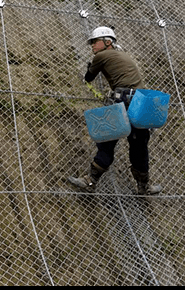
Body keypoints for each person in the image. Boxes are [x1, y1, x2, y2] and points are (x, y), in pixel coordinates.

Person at [68, 26, 162, 195]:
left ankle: (90, 181)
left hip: (123, 100)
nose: (92, 46)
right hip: (142, 102)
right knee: (139, 146)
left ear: (107, 42)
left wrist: (91, 67)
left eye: (95, 42)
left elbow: (89, 77)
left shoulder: (101, 56)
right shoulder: (124, 55)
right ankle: (144, 187)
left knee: (107, 141)